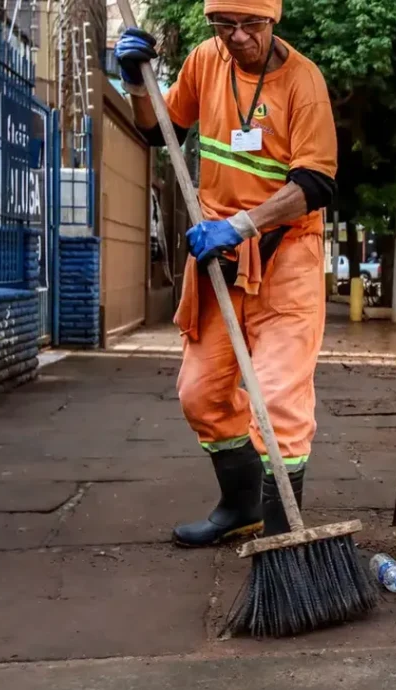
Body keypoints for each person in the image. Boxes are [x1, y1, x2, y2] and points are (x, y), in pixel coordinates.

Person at [114, 0, 337, 547]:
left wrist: (241, 225)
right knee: (200, 394)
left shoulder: (303, 82)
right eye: (223, 25)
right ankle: (241, 507)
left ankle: (283, 545)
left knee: (279, 400)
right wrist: (138, 85)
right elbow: (157, 132)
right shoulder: (203, 62)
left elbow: (315, 183)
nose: (236, 37)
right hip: (221, 262)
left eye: (250, 25)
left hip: (286, 257)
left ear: (273, 20)